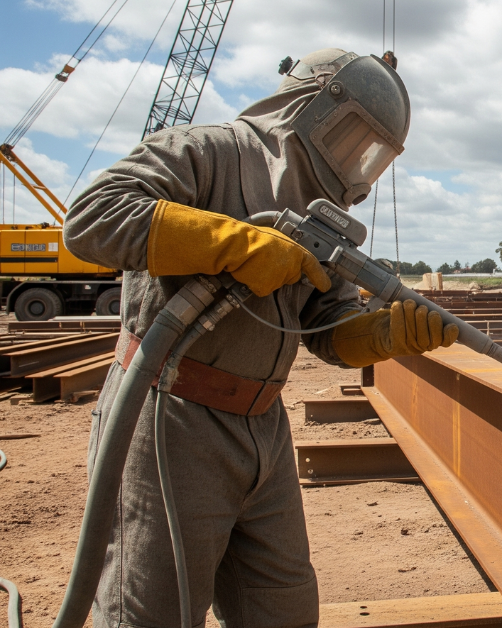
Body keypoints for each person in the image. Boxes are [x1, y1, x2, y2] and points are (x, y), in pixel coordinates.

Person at [63, 49, 455, 628]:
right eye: (356, 141)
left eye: (374, 156)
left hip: (264, 428)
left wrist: (388, 332)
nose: (358, 165)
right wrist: (237, 243)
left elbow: (328, 332)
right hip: (170, 413)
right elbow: (93, 218)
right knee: (152, 614)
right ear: (317, 105)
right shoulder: (210, 150)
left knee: (283, 607)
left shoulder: (327, 213)